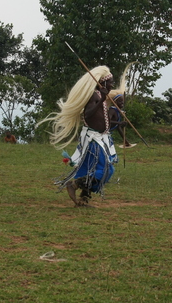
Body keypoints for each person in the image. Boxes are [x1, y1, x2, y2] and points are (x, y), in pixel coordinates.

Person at [39, 66, 117, 207]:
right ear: (102, 83)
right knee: (105, 169)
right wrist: (102, 99)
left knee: (95, 169)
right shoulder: (94, 96)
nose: (112, 85)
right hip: (92, 139)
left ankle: (83, 198)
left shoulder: (99, 96)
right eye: (110, 82)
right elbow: (87, 114)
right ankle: (74, 185)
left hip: (99, 138)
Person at [107, 64, 135, 148]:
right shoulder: (112, 110)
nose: (122, 104)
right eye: (120, 102)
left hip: (107, 136)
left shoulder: (118, 112)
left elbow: (119, 128)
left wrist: (126, 142)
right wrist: (119, 122)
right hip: (101, 136)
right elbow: (107, 121)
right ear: (115, 102)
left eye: (123, 102)